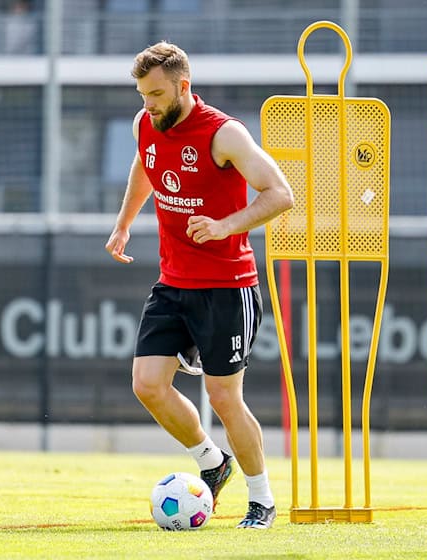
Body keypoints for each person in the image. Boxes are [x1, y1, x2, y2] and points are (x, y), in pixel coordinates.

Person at [105, 41, 294, 529]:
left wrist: (226, 225)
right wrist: (124, 222)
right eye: (143, 94)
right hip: (173, 283)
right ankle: (212, 462)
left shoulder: (223, 134)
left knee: (225, 397)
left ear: (182, 87)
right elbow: (147, 166)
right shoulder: (146, 123)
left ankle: (262, 500)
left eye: (156, 94)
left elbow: (280, 194)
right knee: (147, 384)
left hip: (227, 287)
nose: (147, 104)